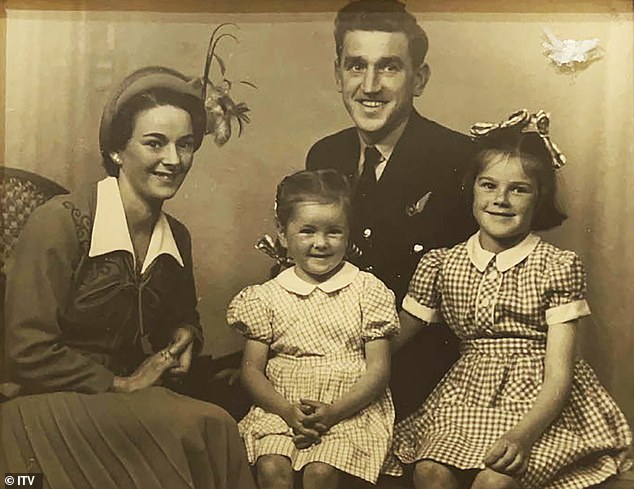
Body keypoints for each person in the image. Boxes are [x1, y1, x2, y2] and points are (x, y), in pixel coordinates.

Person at [1, 66, 256, 489]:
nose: (173, 160)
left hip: (127, 403)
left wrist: (184, 337)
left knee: (213, 426)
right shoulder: (62, 222)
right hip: (44, 406)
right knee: (206, 426)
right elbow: (26, 350)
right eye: (155, 143)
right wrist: (118, 383)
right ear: (117, 150)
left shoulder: (177, 238)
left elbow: (183, 318)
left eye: (185, 145)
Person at [386, 110, 633, 489]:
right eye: (489, 185)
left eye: (518, 189)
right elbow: (394, 338)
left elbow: (559, 376)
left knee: (495, 481)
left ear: (540, 198)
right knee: (429, 472)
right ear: (471, 189)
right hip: (465, 397)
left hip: (540, 405)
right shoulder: (442, 263)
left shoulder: (556, 265)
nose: (501, 200)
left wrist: (523, 435)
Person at [305, 0, 477, 419]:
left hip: (422, 367)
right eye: (356, 66)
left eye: (389, 67)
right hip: (327, 355)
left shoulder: (460, 158)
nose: (369, 86)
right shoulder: (324, 155)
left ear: (419, 79)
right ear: (338, 74)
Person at [227, 169, 399, 488]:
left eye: (334, 232)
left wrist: (333, 412)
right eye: (307, 231)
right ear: (282, 232)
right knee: (270, 467)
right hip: (281, 410)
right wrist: (286, 411)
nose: (321, 243)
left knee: (320, 472)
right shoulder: (266, 297)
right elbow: (251, 370)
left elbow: (378, 370)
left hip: (349, 411)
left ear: (349, 233)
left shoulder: (367, 290)